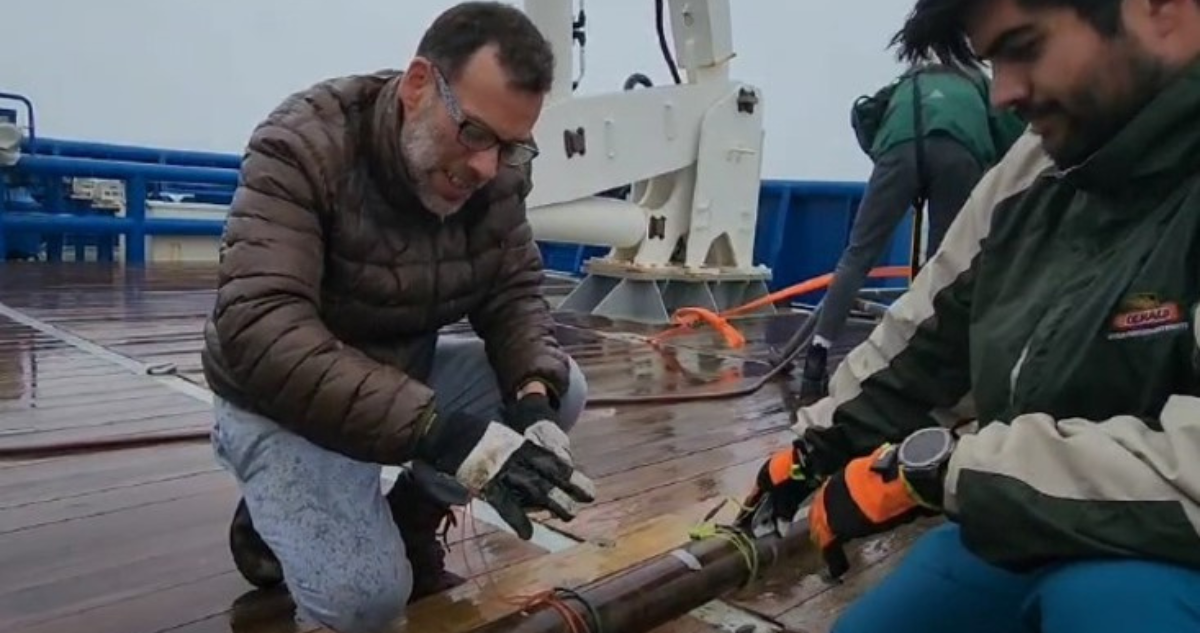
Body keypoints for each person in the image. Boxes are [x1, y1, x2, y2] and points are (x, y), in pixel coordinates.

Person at [742, 0, 1200, 630]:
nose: (1002, 94)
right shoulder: (1037, 169)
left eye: (1025, 46)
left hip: (1171, 547)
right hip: (1038, 514)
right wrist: (814, 447)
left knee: (1107, 608)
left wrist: (937, 471)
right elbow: (930, 333)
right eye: (992, 63)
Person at [199, 3, 596, 631]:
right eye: (475, 134)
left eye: (512, 146)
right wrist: (442, 434)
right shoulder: (301, 145)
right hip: (277, 402)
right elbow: (261, 328)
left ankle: (411, 526)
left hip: (396, 376)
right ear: (418, 86)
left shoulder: (494, 170)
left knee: (565, 385)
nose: (487, 167)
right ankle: (268, 518)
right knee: (367, 603)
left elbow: (514, 288)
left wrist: (530, 398)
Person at [794, 60, 1025, 403]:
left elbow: (864, 113)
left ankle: (816, 358)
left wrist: (884, 157)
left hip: (898, 147)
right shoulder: (978, 82)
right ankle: (929, 363)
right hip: (958, 152)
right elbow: (1013, 137)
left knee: (857, 255)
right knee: (944, 263)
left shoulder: (908, 81)